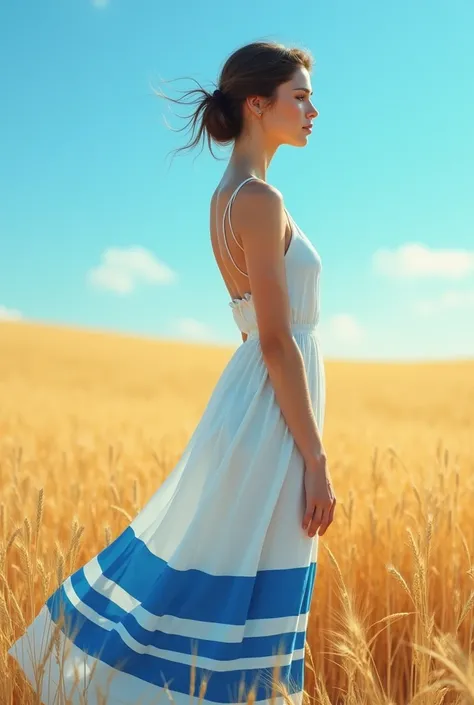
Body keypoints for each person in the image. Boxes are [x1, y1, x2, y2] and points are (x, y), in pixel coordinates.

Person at [8, 40, 336, 705]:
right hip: (273, 412)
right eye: (298, 96)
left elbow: (255, 332)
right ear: (256, 102)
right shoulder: (258, 200)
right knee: (244, 586)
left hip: (254, 402)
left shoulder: (228, 196)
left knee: (223, 573)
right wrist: (316, 456)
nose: (312, 111)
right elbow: (274, 341)